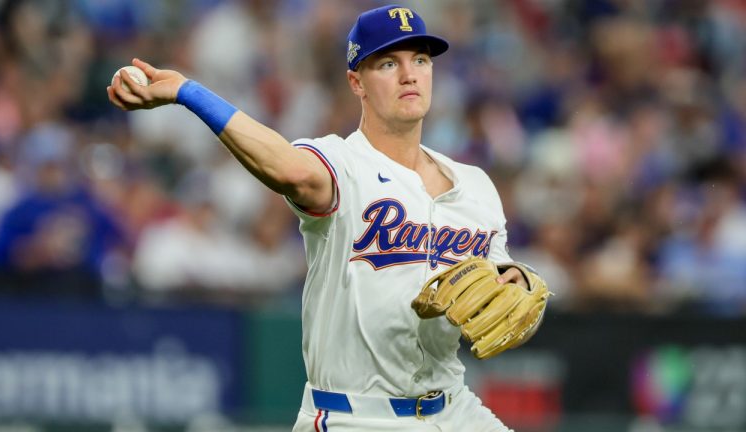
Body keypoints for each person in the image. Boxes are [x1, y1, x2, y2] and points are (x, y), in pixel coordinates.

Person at [108, 5, 536, 431]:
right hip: (357, 416)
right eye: (389, 63)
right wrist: (190, 92)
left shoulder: (474, 183)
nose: (410, 75)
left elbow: (499, 275)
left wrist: (516, 277)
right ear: (357, 82)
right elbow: (289, 170)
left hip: (455, 409)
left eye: (420, 60)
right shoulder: (340, 162)